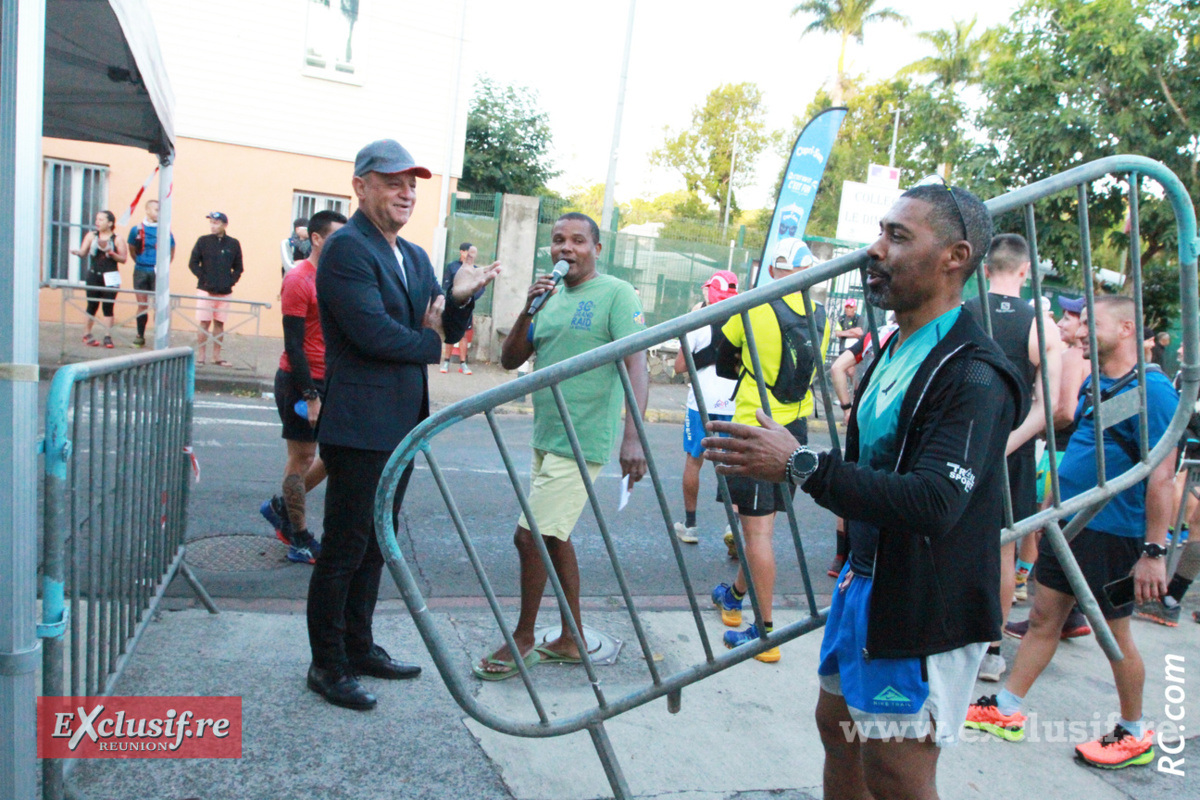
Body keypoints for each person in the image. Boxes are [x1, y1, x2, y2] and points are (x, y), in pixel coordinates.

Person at [703, 182, 1023, 799]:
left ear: (955, 256)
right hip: (866, 584)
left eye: (897, 237)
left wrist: (801, 466)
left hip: (922, 605)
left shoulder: (976, 373)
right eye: (879, 232)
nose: (873, 250)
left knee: (896, 770)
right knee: (837, 730)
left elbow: (934, 501)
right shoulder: (894, 345)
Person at [306, 139, 500, 710]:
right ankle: (328, 665)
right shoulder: (346, 249)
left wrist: (461, 301)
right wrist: (431, 340)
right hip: (359, 423)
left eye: (412, 183)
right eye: (393, 182)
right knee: (345, 547)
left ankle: (360, 646)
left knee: (376, 545)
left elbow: (443, 319)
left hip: (401, 423)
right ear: (361, 186)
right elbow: (374, 334)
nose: (406, 192)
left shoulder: (414, 256)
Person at [966, 295, 1178, 769]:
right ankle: (1008, 708)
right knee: (1044, 618)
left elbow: (1163, 476)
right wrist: (1047, 513)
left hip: (1113, 532)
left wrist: (1153, 551)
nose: (1080, 332)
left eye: (1091, 324)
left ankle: (1135, 732)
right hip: (1070, 524)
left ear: (1126, 328)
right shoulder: (1100, 383)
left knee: (1113, 634)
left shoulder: (1154, 391)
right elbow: (1082, 450)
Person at [476, 212, 648, 680]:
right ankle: (572, 639)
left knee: (528, 535)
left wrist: (634, 435)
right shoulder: (548, 298)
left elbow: (637, 359)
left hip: (583, 438)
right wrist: (527, 309)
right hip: (547, 437)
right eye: (557, 241)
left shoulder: (616, 293)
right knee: (553, 535)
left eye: (577, 240)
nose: (565, 248)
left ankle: (525, 636)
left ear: (596, 248)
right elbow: (511, 359)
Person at [708, 239, 831, 663]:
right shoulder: (820, 315)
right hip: (792, 432)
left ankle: (765, 636)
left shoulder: (753, 306)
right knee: (759, 526)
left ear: (774, 270)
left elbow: (723, 359)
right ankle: (735, 595)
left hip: (752, 429)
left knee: (757, 533)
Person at [963, 233, 1062, 682]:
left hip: (960, 446)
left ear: (985, 270)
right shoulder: (1041, 325)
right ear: (1025, 271)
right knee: (1002, 552)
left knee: (950, 541)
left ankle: (948, 642)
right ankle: (990, 650)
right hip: (1012, 454)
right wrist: (1007, 443)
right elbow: (1053, 407)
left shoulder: (962, 313)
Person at [259, 210, 347, 565]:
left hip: (331, 378)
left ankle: (281, 506)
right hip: (301, 380)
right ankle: (298, 538)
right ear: (316, 238)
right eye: (336, 238)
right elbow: (293, 344)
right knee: (303, 457)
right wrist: (309, 394)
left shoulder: (335, 279)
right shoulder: (299, 279)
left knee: (335, 454)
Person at [1005, 294, 1094, 638]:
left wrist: (1039, 427)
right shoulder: (1090, 358)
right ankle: (1067, 614)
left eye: (1074, 319)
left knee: (1037, 525)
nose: (1062, 324)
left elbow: (1065, 410)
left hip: (1063, 454)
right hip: (1073, 455)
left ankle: (1023, 585)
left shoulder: (1073, 356)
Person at [671, 270, 738, 545]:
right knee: (735, 464)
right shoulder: (742, 318)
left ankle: (690, 526)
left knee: (694, 461)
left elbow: (679, 367)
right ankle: (733, 527)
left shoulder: (698, 323)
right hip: (734, 402)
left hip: (702, 403)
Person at [188, 212, 243, 366]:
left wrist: (230, 282)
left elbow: (238, 268)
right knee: (204, 322)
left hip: (224, 292)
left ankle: (216, 356)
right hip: (205, 290)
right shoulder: (203, 241)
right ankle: (201, 355)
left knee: (219, 323)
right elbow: (193, 263)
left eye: (216, 223)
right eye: (211, 222)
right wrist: (204, 278)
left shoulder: (233, 243)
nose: (213, 226)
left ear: (224, 225)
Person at [73, 210, 128, 349]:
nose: (97, 222)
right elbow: (83, 252)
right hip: (94, 275)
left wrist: (112, 253)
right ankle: (87, 334)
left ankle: (107, 336)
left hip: (110, 276)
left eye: (101, 220)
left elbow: (123, 259)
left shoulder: (117, 239)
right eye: (97, 219)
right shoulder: (92, 236)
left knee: (108, 307)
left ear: (110, 223)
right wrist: (78, 253)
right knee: (92, 305)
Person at [126, 199, 175, 347]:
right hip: (141, 269)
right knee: (142, 304)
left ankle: (159, 337)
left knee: (159, 305)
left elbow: (171, 250)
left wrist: (163, 266)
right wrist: (141, 261)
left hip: (157, 271)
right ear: (147, 210)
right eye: (156, 210)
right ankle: (140, 335)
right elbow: (132, 248)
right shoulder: (136, 229)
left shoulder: (165, 230)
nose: (159, 213)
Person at [440, 242, 484, 375]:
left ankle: (463, 364)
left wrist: (468, 299)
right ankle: (446, 362)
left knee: (464, 334)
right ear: (461, 252)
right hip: (452, 307)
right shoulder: (452, 267)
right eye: (467, 252)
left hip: (466, 309)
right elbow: (446, 285)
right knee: (450, 332)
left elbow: (480, 288)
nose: (469, 255)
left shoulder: (475, 270)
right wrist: (453, 298)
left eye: (472, 253)